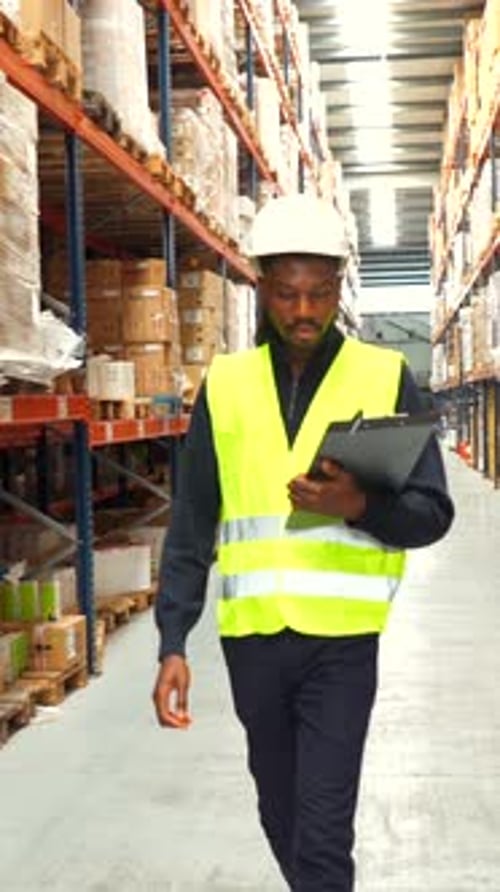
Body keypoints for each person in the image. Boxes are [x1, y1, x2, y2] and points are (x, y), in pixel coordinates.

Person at [153, 193, 454, 891]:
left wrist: (362, 506)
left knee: (322, 834)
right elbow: (194, 520)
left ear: (338, 288)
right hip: (253, 642)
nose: (304, 311)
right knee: (280, 814)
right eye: (287, 293)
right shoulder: (225, 385)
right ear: (262, 289)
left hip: (343, 646)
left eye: (319, 293)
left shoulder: (385, 377)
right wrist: (173, 640)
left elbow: (432, 512)